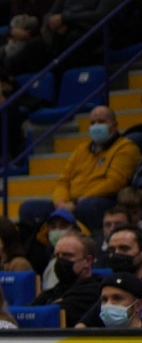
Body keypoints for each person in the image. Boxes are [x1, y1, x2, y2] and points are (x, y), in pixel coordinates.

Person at [36, 105, 139, 233]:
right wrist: (61, 203)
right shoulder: (81, 149)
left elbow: (114, 183)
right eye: (92, 123)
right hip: (71, 202)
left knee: (88, 206)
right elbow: (63, 181)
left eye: (101, 122)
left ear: (114, 125)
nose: (96, 126)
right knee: (32, 208)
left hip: (101, 200)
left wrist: (75, 203)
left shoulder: (126, 148)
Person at [35, 232, 102, 326]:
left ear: (88, 261)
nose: (60, 261)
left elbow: (53, 314)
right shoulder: (56, 289)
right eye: (57, 256)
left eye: (67, 255)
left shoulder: (94, 290)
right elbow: (29, 311)